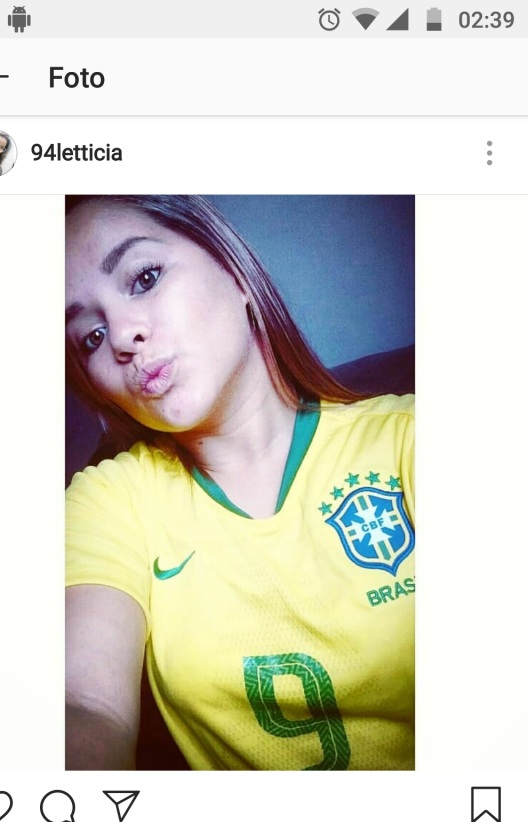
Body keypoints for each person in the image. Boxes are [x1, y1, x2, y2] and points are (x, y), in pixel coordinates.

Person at [65, 194, 415, 771]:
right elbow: (85, 703)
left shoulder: (410, 440)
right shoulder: (109, 502)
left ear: (235, 273)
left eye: (144, 278)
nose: (122, 336)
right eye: (91, 337)